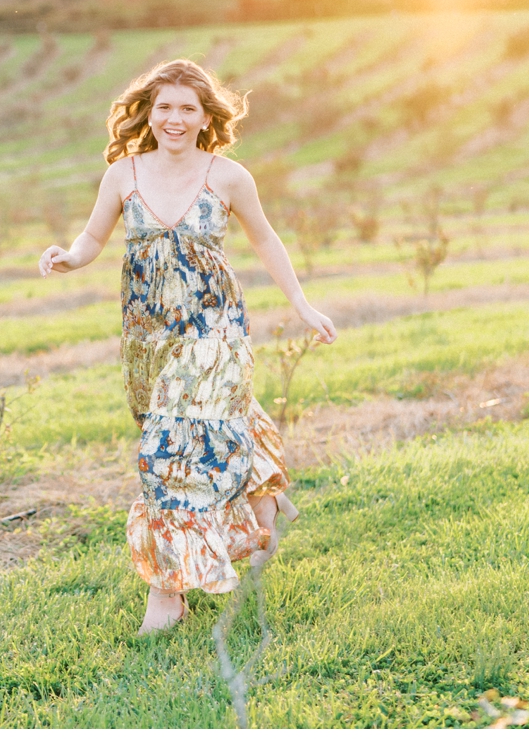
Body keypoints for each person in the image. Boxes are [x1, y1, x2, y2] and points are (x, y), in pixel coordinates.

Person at [38, 59, 337, 634]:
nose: (174, 118)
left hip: (215, 328)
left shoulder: (228, 177)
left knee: (164, 453)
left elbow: (266, 238)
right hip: (148, 337)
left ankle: (166, 593)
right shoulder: (123, 174)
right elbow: (94, 235)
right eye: (165, 106)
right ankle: (258, 498)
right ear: (149, 112)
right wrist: (70, 256)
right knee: (203, 432)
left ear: (206, 118)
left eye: (187, 108)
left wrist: (302, 304)